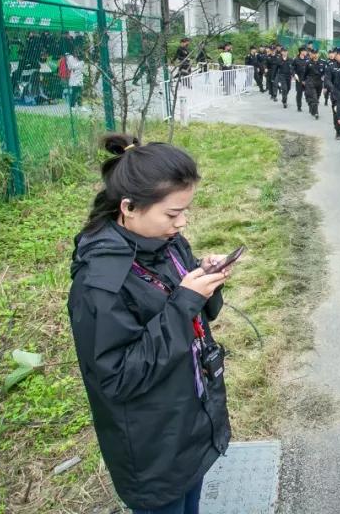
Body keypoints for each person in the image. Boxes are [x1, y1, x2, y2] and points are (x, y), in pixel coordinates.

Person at [68, 134, 233, 513]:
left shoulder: (165, 243)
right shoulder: (100, 284)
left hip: (190, 417)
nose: (182, 222)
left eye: (185, 211)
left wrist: (204, 278)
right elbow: (117, 377)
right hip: (152, 444)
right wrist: (184, 302)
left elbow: (195, 314)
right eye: (172, 214)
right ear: (128, 207)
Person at [304, 48, 326, 119]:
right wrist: (303, 80)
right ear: (311, 54)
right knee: (314, 98)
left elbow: (325, 73)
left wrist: (324, 78)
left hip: (319, 82)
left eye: (316, 53)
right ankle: (316, 112)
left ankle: (312, 107)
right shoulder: (308, 63)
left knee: (317, 97)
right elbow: (305, 73)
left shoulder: (323, 62)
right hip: (311, 81)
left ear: (318, 54)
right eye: (313, 53)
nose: (315, 55)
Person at [292, 46, 310, 112]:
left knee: (309, 92)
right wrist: (294, 74)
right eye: (305, 51)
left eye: (306, 51)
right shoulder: (296, 59)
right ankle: (299, 106)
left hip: (307, 78)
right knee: (299, 93)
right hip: (299, 78)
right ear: (301, 52)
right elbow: (292, 68)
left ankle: (311, 105)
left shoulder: (308, 59)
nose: (306, 52)